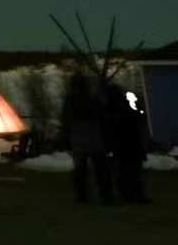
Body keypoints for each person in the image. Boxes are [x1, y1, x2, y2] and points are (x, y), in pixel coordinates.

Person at [60, 74, 113, 204]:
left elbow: (65, 119)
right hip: (94, 136)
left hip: (78, 137)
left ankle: (82, 197)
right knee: (100, 169)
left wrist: (66, 136)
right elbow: (103, 117)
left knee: (80, 170)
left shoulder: (70, 100)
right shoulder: (93, 99)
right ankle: (105, 196)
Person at [108, 87, 150, 203]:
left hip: (123, 144)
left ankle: (127, 194)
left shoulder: (113, 110)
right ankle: (136, 194)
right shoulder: (129, 107)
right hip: (132, 144)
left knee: (123, 172)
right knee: (133, 172)